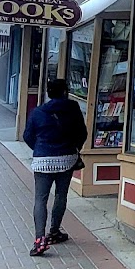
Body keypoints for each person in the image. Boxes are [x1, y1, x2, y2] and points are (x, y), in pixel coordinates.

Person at [23, 78, 87, 257]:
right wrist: (75, 148)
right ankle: (54, 231)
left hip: (43, 159)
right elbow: (82, 132)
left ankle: (39, 240)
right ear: (65, 91)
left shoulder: (37, 112)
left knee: (40, 199)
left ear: (49, 93)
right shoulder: (73, 108)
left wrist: (40, 149)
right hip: (66, 158)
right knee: (61, 195)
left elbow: (27, 135)